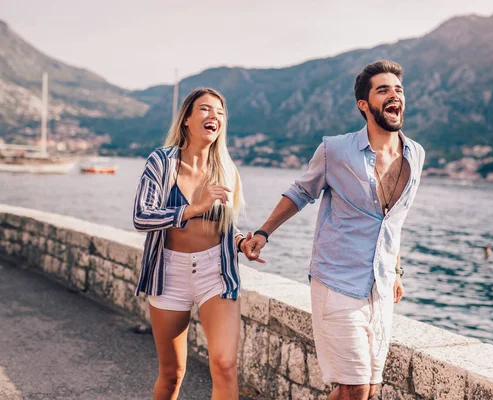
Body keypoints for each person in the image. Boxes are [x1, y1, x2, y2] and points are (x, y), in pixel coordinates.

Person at [246, 60, 426, 400]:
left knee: (366, 389)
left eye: (399, 90)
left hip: (381, 286)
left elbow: (394, 221)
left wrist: (396, 269)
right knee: (355, 388)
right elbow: (300, 193)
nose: (394, 95)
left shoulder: (415, 154)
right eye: (383, 89)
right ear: (364, 104)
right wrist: (263, 232)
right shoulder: (336, 149)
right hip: (337, 280)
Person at [133, 88, 255, 400]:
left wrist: (241, 241)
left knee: (225, 365)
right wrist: (193, 208)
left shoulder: (226, 167)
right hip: (169, 274)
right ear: (187, 118)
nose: (214, 116)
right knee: (172, 374)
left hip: (216, 272)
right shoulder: (161, 162)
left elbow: (226, 224)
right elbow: (141, 217)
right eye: (205, 109)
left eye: (220, 112)